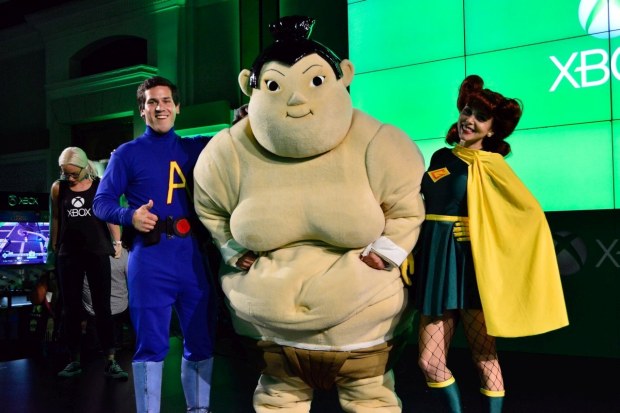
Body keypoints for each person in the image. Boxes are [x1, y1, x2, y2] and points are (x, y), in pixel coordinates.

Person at [194, 15, 425, 412]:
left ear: (343, 75)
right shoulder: (229, 151)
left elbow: (406, 209)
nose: (296, 99)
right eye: (274, 85)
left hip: (362, 323)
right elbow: (210, 207)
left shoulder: (378, 142)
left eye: (315, 80)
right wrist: (232, 248)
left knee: (371, 401)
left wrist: (387, 252)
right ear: (250, 85)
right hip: (271, 331)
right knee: (278, 401)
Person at [412, 74, 569, 413]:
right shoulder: (440, 157)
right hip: (436, 261)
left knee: (484, 355)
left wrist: (479, 229)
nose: (470, 120)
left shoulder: (492, 164)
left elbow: (528, 215)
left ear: (492, 130)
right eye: (468, 111)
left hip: (472, 265)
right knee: (428, 362)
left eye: (481, 117)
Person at [93, 76, 215, 413]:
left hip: (192, 259)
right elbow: (101, 202)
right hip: (150, 260)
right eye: (152, 102)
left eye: (166, 101)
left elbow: (240, 141)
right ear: (142, 109)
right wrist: (129, 216)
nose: (160, 107)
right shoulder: (127, 153)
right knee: (150, 346)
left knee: (201, 342)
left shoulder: (198, 147)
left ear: (177, 107)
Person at [50, 146, 128, 380]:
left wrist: (117, 242)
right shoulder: (58, 188)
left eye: (73, 173)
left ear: (85, 168)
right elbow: (56, 217)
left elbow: (110, 215)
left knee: (103, 307)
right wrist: (54, 246)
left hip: (97, 251)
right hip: (69, 253)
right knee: (71, 309)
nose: (69, 178)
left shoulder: (100, 185)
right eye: (65, 173)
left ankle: (110, 360)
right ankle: (74, 360)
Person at [82, 243, 131, 352]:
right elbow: (131, 280)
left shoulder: (83, 252)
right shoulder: (123, 253)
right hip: (119, 309)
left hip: (93, 312)